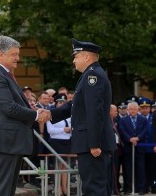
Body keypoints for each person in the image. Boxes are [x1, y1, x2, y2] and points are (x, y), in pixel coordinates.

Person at [0, 36, 49, 196]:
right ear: (1, 54)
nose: (18, 58)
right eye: (14, 54)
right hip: (3, 141)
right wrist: (36, 114)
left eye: (18, 54)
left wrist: (33, 110)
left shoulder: (3, 74)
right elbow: (9, 107)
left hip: (9, 142)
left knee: (7, 190)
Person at [49, 38, 116, 196]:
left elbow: (95, 111)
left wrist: (94, 143)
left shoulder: (93, 76)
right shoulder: (90, 75)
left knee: (94, 188)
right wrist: (51, 113)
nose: (73, 61)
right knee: (94, 186)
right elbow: (75, 105)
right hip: (89, 142)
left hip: (92, 144)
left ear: (87, 57)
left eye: (76, 56)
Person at [119, 102, 147, 195]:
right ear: (128, 110)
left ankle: (141, 188)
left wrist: (138, 138)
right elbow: (122, 130)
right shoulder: (123, 120)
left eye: (134, 109)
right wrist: (129, 139)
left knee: (141, 169)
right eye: (131, 109)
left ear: (137, 109)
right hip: (128, 148)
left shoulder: (143, 119)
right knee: (127, 169)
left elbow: (145, 130)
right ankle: (128, 188)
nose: (132, 111)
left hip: (140, 148)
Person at [46, 93, 71, 196]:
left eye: (64, 102)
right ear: (56, 103)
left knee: (65, 166)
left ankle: (65, 189)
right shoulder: (51, 113)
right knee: (58, 166)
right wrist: (63, 129)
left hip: (67, 141)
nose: (61, 104)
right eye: (60, 102)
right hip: (56, 142)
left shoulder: (69, 115)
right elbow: (50, 130)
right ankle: (58, 189)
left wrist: (69, 130)